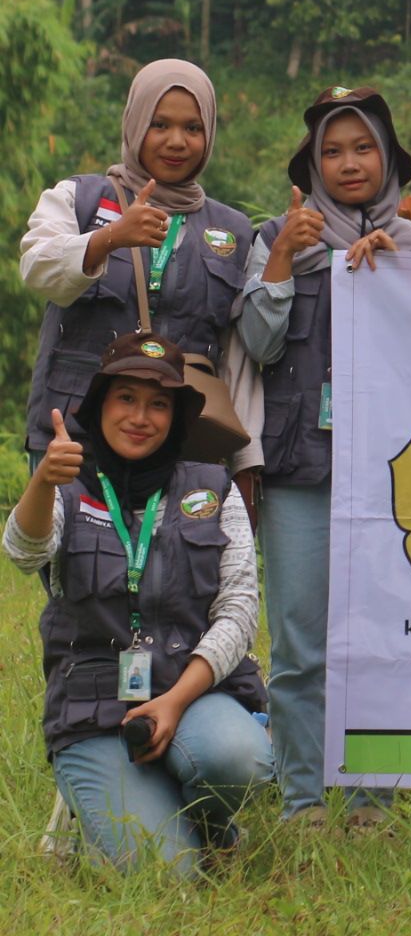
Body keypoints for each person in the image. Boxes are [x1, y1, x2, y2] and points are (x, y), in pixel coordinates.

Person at [237, 86, 411, 827]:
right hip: (300, 469)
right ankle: (302, 802)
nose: (349, 163)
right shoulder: (275, 236)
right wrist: (284, 259)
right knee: (299, 645)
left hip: (396, 480)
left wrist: (401, 282)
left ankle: (371, 799)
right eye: (332, 150)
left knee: (380, 639)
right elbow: (257, 346)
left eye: (363, 148)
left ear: (390, 159)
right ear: (311, 164)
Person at [8, 333, 269, 877]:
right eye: (125, 398)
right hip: (95, 712)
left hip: (193, 696)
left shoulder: (214, 488)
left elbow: (239, 611)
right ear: (99, 405)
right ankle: (96, 815)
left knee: (237, 756)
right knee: (168, 875)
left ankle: (211, 824)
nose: (140, 417)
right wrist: (43, 481)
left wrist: (174, 702)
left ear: (177, 417)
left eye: (158, 404)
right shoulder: (68, 485)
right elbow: (23, 551)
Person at [20, 61, 258, 508]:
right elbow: (36, 267)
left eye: (192, 127)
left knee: (175, 554)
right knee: (68, 550)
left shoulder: (235, 231)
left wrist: (246, 461)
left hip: (181, 443)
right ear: (134, 123)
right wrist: (110, 237)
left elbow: (237, 357)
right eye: (159, 124)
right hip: (75, 435)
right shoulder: (79, 198)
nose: (176, 141)